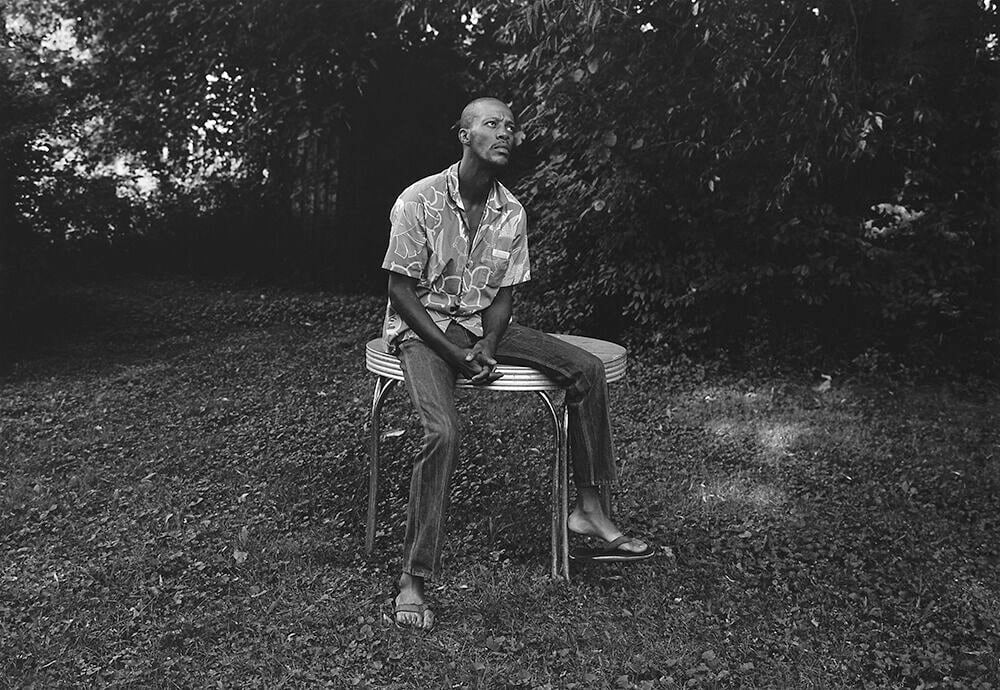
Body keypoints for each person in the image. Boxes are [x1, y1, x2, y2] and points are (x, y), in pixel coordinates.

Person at [381, 97, 654, 630]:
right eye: (490, 124)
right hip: (424, 329)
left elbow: (504, 294)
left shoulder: (513, 212)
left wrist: (487, 344)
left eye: (510, 126)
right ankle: (413, 576)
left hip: (482, 323)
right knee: (443, 431)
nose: (504, 132)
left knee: (585, 368)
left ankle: (590, 511)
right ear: (462, 134)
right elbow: (400, 291)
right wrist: (453, 352)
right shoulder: (419, 200)